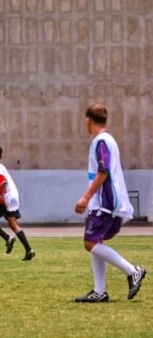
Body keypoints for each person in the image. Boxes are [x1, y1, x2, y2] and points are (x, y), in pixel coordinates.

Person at [74, 104, 145, 302]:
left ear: (88, 121)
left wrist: (86, 196)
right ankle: (99, 291)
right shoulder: (108, 140)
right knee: (96, 241)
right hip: (104, 201)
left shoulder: (101, 141)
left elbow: (103, 170)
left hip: (104, 201)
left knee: (89, 243)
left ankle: (133, 271)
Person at [0, 145, 35, 260]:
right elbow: (1, 183)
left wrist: (1, 196)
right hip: (13, 196)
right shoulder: (1, 167)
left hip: (4, 197)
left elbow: (3, 182)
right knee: (13, 224)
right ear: (1, 156)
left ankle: (7, 238)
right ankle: (29, 250)